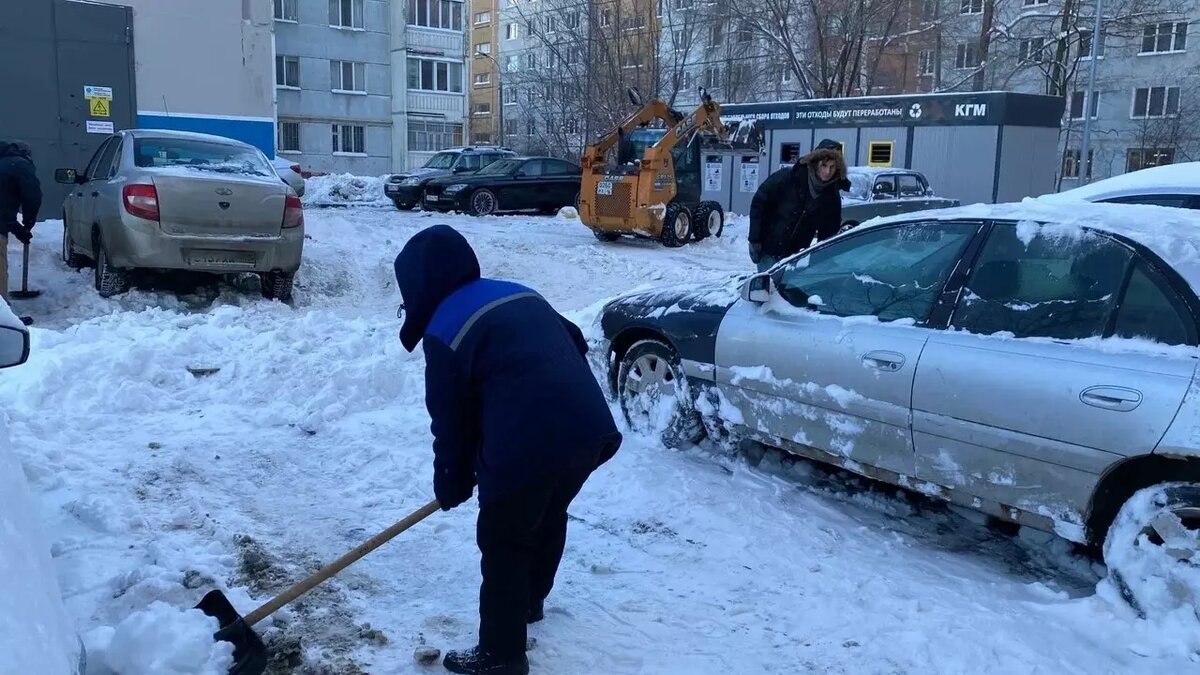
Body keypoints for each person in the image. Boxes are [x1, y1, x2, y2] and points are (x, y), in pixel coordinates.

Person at [394, 225, 622, 675]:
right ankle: (528, 603)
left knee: (504, 537)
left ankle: (501, 654)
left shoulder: (444, 330)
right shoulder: (517, 292)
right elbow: (573, 340)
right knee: (548, 512)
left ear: (419, 286)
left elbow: (451, 422)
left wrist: (452, 480)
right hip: (589, 429)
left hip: (529, 445)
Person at [747, 138, 847, 273]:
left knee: (783, 293)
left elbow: (828, 232)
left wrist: (820, 260)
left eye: (832, 167)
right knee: (766, 290)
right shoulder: (789, 177)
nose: (827, 172)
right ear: (816, 163)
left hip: (795, 257)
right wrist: (754, 239)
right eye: (824, 165)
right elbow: (759, 203)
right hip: (768, 251)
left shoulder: (831, 197)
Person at [0, 141, 39, 302]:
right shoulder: (20, 165)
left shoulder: (4, 165)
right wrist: (28, 221)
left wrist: (17, 229)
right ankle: (3, 318)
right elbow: (32, 195)